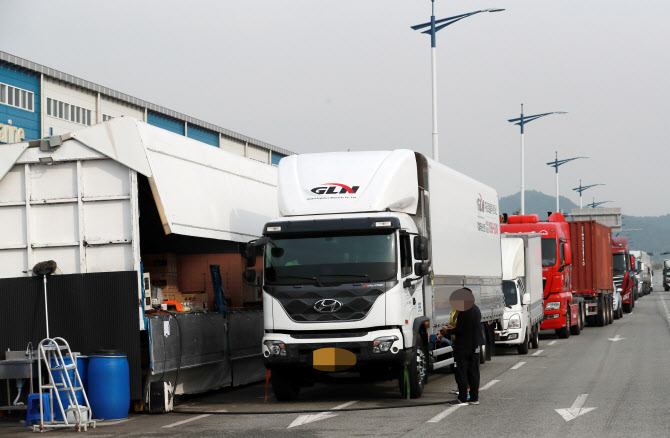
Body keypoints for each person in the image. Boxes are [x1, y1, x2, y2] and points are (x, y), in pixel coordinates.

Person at [441, 288, 482, 406]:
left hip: (463, 346)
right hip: (474, 344)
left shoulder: (465, 310)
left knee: (461, 372)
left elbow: (460, 330)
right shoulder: (475, 309)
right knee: (473, 372)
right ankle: (474, 398)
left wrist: (447, 331)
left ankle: (462, 398)